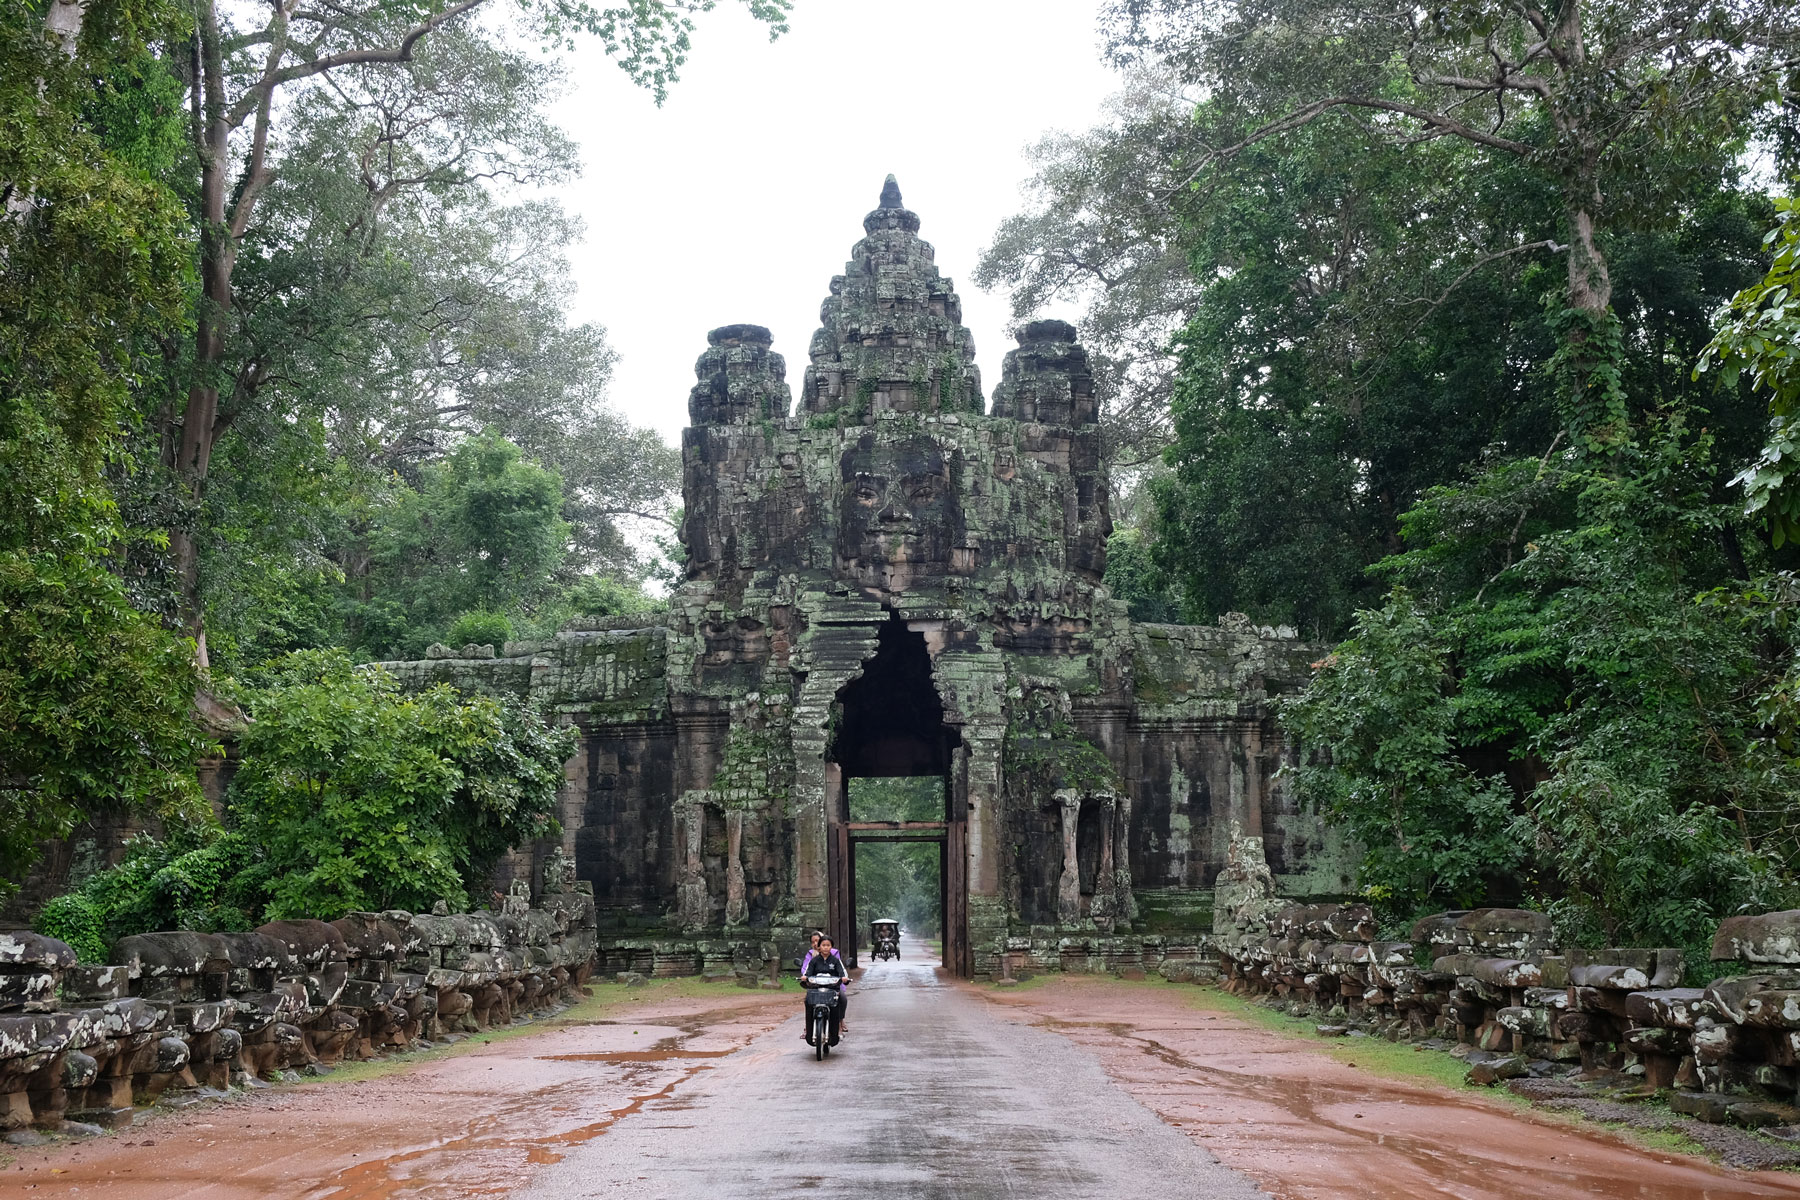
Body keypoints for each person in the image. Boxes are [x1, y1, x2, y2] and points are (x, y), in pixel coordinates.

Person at [800, 934, 848, 1046]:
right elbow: (808, 972)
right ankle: (809, 1029)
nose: (826, 947)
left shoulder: (835, 960)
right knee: (808, 1000)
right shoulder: (814, 960)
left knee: (841, 998)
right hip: (816, 988)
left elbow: (842, 972)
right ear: (819, 947)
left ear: (831, 947)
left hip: (832, 988)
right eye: (823, 945)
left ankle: (838, 1026)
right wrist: (805, 977)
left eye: (828, 945)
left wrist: (844, 978)